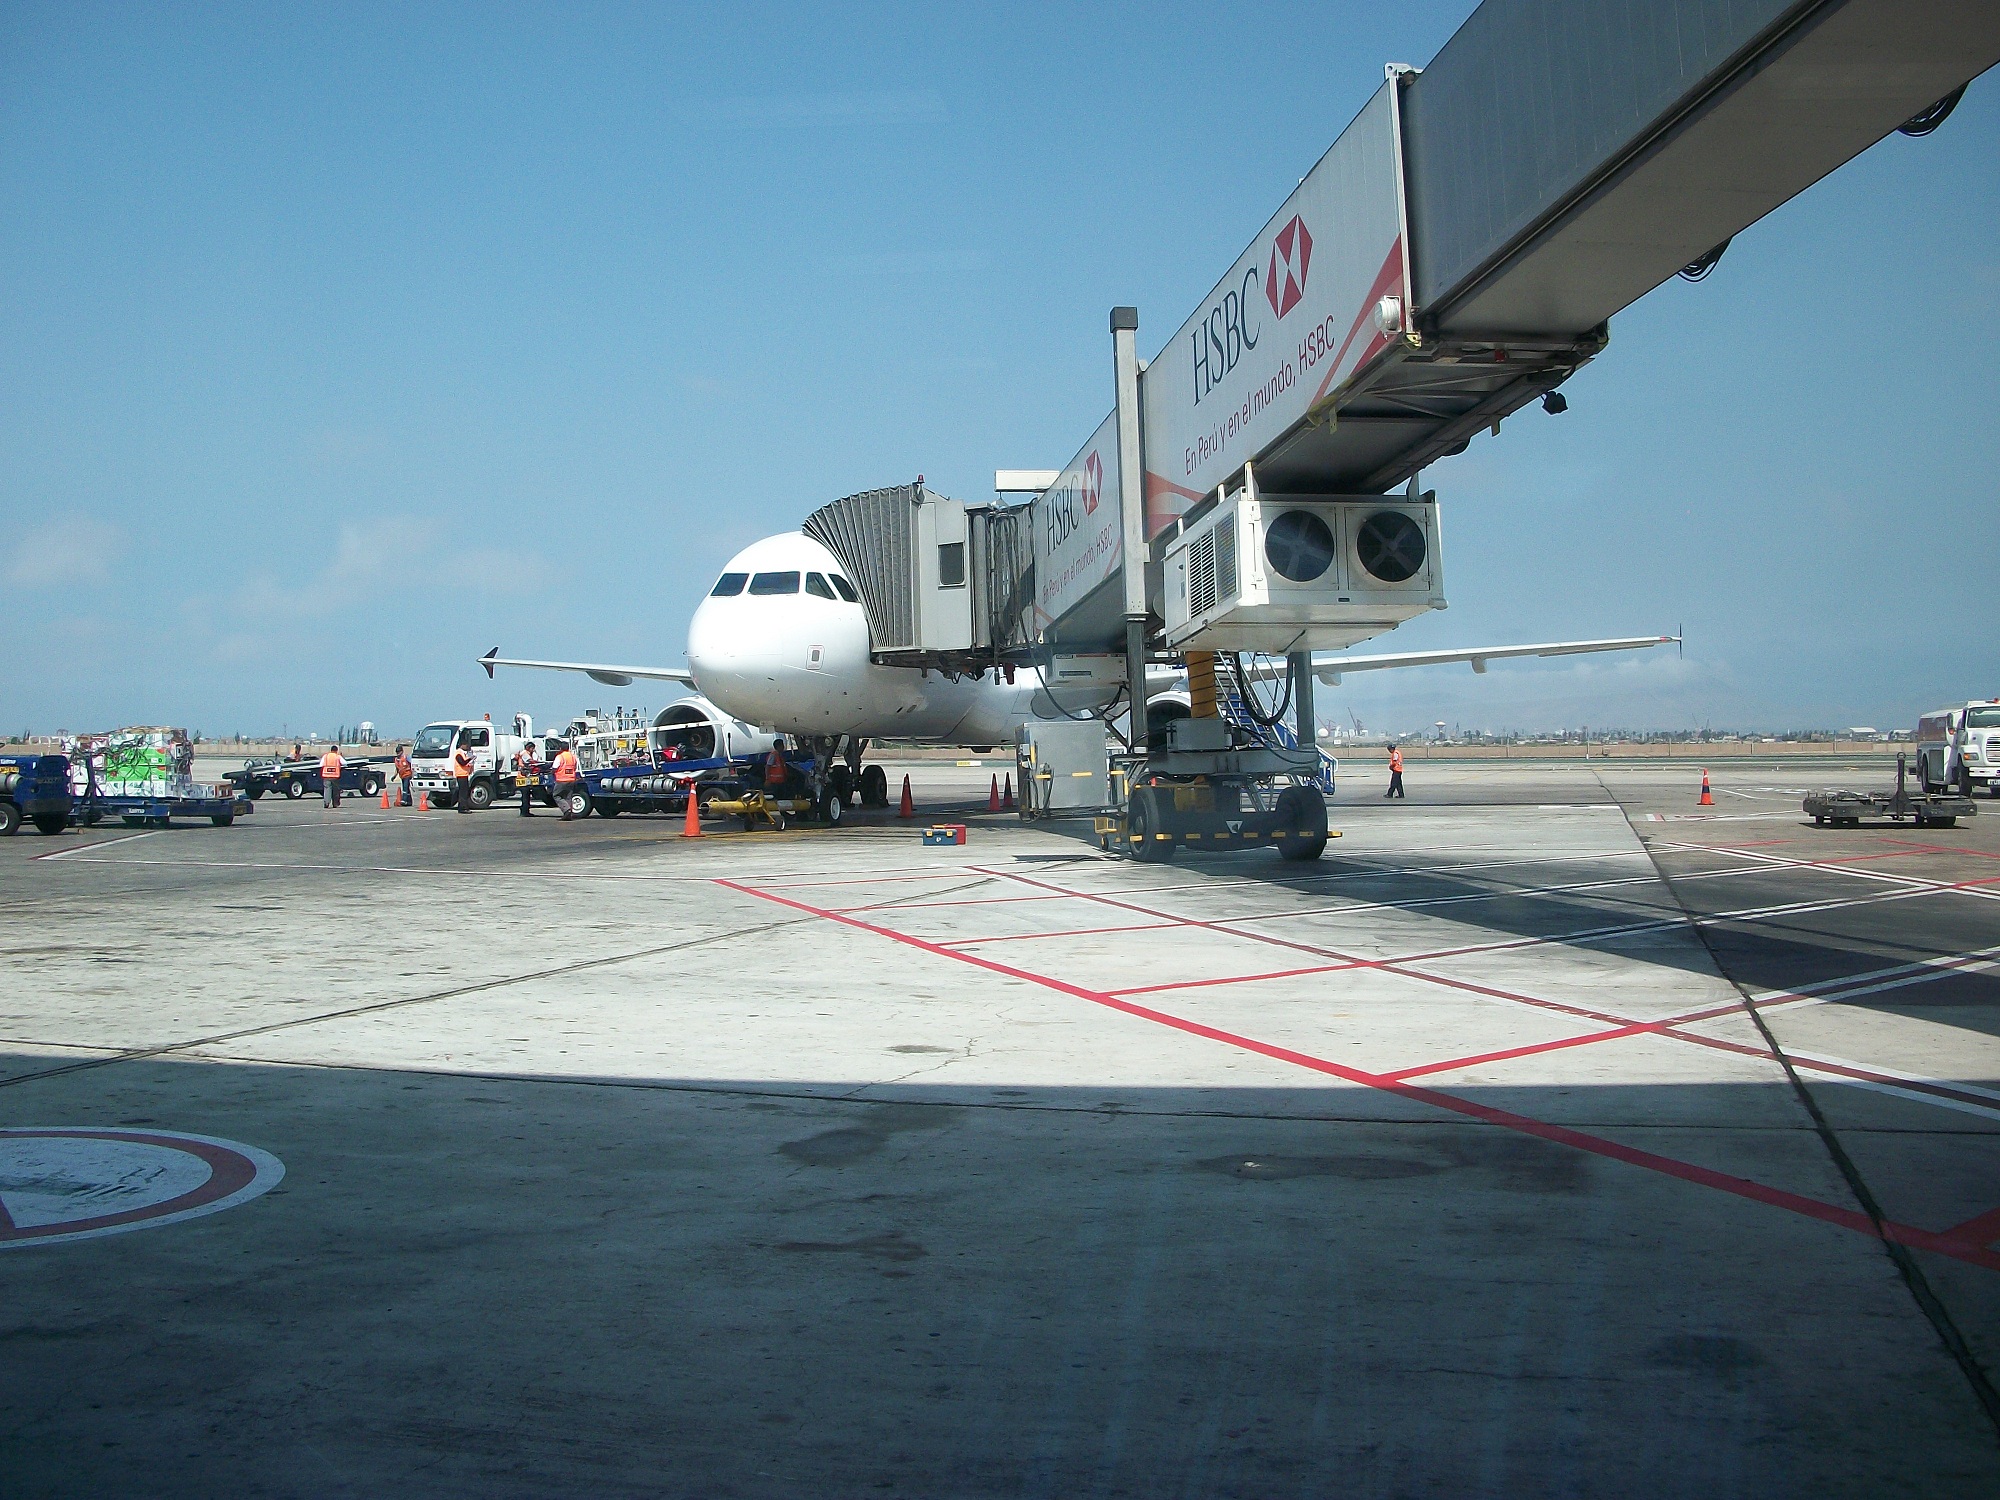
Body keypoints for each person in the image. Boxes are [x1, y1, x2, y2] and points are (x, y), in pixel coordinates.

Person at [551, 741, 582, 821]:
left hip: (561, 779)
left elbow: (555, 768)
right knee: (568, 797)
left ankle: (566, 810)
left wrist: (552, 772)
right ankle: (569, 813)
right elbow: (575, 767)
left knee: (556, 795)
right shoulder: (573, 756)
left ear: (561, 748)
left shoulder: (560, 757)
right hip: (571, 779)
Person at [513, 739, 542, 817]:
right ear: (529, 748)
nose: (533, 750)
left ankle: (525, 810)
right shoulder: (525, 754)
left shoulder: (526, 753)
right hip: (522, 777)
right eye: (533, 748)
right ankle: (524, 811)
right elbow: (530, 762)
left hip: (524, 777)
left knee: (526, 795)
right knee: (525, 795)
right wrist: (540, 763)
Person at [451, 738, 475, 813]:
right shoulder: (458, 753)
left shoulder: (463, 753)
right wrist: (470, 759)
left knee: (464, 792)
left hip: (464, 774)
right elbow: (462, 763)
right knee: (463, 793)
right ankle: (463, 808)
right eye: (466, 745)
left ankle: (462, 807)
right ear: (462, 745)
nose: (467, 747)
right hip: (461, 775)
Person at [320, 743, 345, 808]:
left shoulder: (325, 756)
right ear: (336, 750)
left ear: (331, 750)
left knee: (327, 790)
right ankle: (335, 804)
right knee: (335, 791)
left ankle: (326, 803)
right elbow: (345, 763)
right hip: (335, 777)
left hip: (326, 776)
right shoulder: (337, 756)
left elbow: (321, 765)